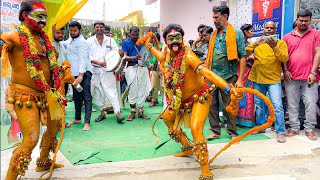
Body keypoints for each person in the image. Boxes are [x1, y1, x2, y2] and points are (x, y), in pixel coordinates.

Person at [138, 24, 238, 180]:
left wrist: (227, 88)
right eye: (171, 38)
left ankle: (206, 170)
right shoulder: (168, 55)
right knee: (167, 118)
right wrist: (149, 46)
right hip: (180, 101)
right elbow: (161, 57)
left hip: (199, 96)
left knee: (196, 128)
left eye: (178, 37)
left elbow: (207, 73)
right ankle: (187, 146)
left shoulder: (189, 56)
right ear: (166, 41)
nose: (175, 41)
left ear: (182, 39)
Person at [0, 1, 64, 179]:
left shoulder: (43, 38)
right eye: (39, 16)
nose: (43, 21)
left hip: (48, 93)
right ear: (23, 16)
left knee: (55, 126)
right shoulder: (13, 36)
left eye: (45, 17)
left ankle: (43, 163)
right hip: (24, 93)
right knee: (31, 138)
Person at [206, 5, 247, 140]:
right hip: (212, 76)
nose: (214, 20)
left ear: (225, 16)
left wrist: (240, 79)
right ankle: (215, 130)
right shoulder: (213, 35)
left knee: (229, 105)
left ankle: (232, 132)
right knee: (211, 105)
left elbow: (242, 56)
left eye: (216, 17)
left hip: (229, 76)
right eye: (213, 17)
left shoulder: (236, 33)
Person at [246, 21, 288, 143]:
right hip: (258, 78)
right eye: (267, 27)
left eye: (272, 28)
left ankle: (280, 132)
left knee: (277, 106)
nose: (269, 29)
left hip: (273, 80)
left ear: (275, 30)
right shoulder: (258, 42)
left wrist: (274, 46)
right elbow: (245, 52)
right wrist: (255, 44)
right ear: (263, 29)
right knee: (259, 105)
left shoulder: (280, 43)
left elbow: (284, 58)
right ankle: (261, 127)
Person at [283, 9, 320, 141]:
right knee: (292, 104)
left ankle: (309, 129)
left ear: (310, 21)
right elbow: (284, 57)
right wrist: (286, 70)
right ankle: (294, 128)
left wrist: (313, 72)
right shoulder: (287, 37)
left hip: (310, 77)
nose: (303, 23)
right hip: (291, 77)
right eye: (301, 20)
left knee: (310, 103)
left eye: (306, 21)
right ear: (296, 20)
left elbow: (318, 53)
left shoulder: (316, 34)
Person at [87, 21, 124, 123]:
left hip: (107, 72)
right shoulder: (89, 41)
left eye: (101, 27)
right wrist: (98, 62)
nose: (99, 29)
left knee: (112, 91)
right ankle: (102, 113)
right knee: (97, 93)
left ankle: (117, 113)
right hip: (95, 71)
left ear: (104, 29)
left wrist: (120, 54)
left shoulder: (111, 41)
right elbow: (87, 56)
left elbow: (116, 54)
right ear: (94, 29)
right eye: (97, 27)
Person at [65, 21, 93, 131]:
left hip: (84, 73)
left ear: (79, 30)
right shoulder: (71, 40)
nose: (72, 32)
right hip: (74, 74)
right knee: (76, 97)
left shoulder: (82, 42)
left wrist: (80, 76)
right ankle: (77, 118)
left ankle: (87, 122)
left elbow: (83, 59)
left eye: (74, 31)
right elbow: (64, 44)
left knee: (86, 97)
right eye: (71, 30)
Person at [121, 26, 151, 120]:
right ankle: (132, 112)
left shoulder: (142, 42)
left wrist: (147, 58)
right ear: (129, 34)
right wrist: (134, 58)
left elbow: (147, 54)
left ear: (139, 34)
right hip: (131, 68)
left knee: (142, 89)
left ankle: (141, 112)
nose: (134, 36)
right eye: (133, 34)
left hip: (143, 68)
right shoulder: (125, 42)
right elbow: (124, 57)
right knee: (132, 90)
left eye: (136, 35)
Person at [236, 23, 255, 127]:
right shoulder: (239, 44)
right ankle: (237, 119)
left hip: (249, 71)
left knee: (248, 94)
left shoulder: (249, 44)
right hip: (240, 71)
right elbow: (235, 59)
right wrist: (247, 58)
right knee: (240, 93)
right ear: (245, 32)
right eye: (251, 30)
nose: (252, 32)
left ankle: (246, 120)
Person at [149, 32, 163, 107]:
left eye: (152, 39)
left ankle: (165, 102)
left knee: (163, 87)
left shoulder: (163, 46)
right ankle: (154, 100)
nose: (151, 40)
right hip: (154, 69)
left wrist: (160, 68)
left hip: (162, 69)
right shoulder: (151, 47)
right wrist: (150, 64)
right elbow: (150, 58)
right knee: (154, 85)